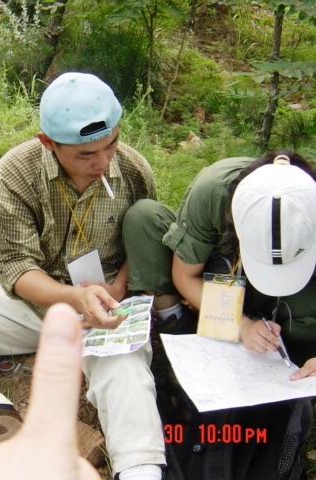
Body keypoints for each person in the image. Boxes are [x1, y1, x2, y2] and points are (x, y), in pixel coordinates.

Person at [0, 72, 166, 480]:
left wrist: (118, 286)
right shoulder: (16, 173)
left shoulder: (131, 169)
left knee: (125, 368)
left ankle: (139, 470)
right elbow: (17, 268)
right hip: (34, 305)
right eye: (85, 154)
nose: (102, 162)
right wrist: (73, 298)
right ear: (48, 142)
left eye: (110, 144)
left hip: (105, 310)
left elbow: (140, 239)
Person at [124, 151, 316, 479]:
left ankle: (292, 355)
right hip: (225, 280)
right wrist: (241, 325)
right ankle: (179, 331)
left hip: (295, 298)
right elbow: (186, 275)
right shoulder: (214, 192)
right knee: (144, 218)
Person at [0, 303, 102, 480]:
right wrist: (76, 297)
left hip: (107, 317)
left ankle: (133, 468)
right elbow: (18, 283)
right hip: (33, 311)